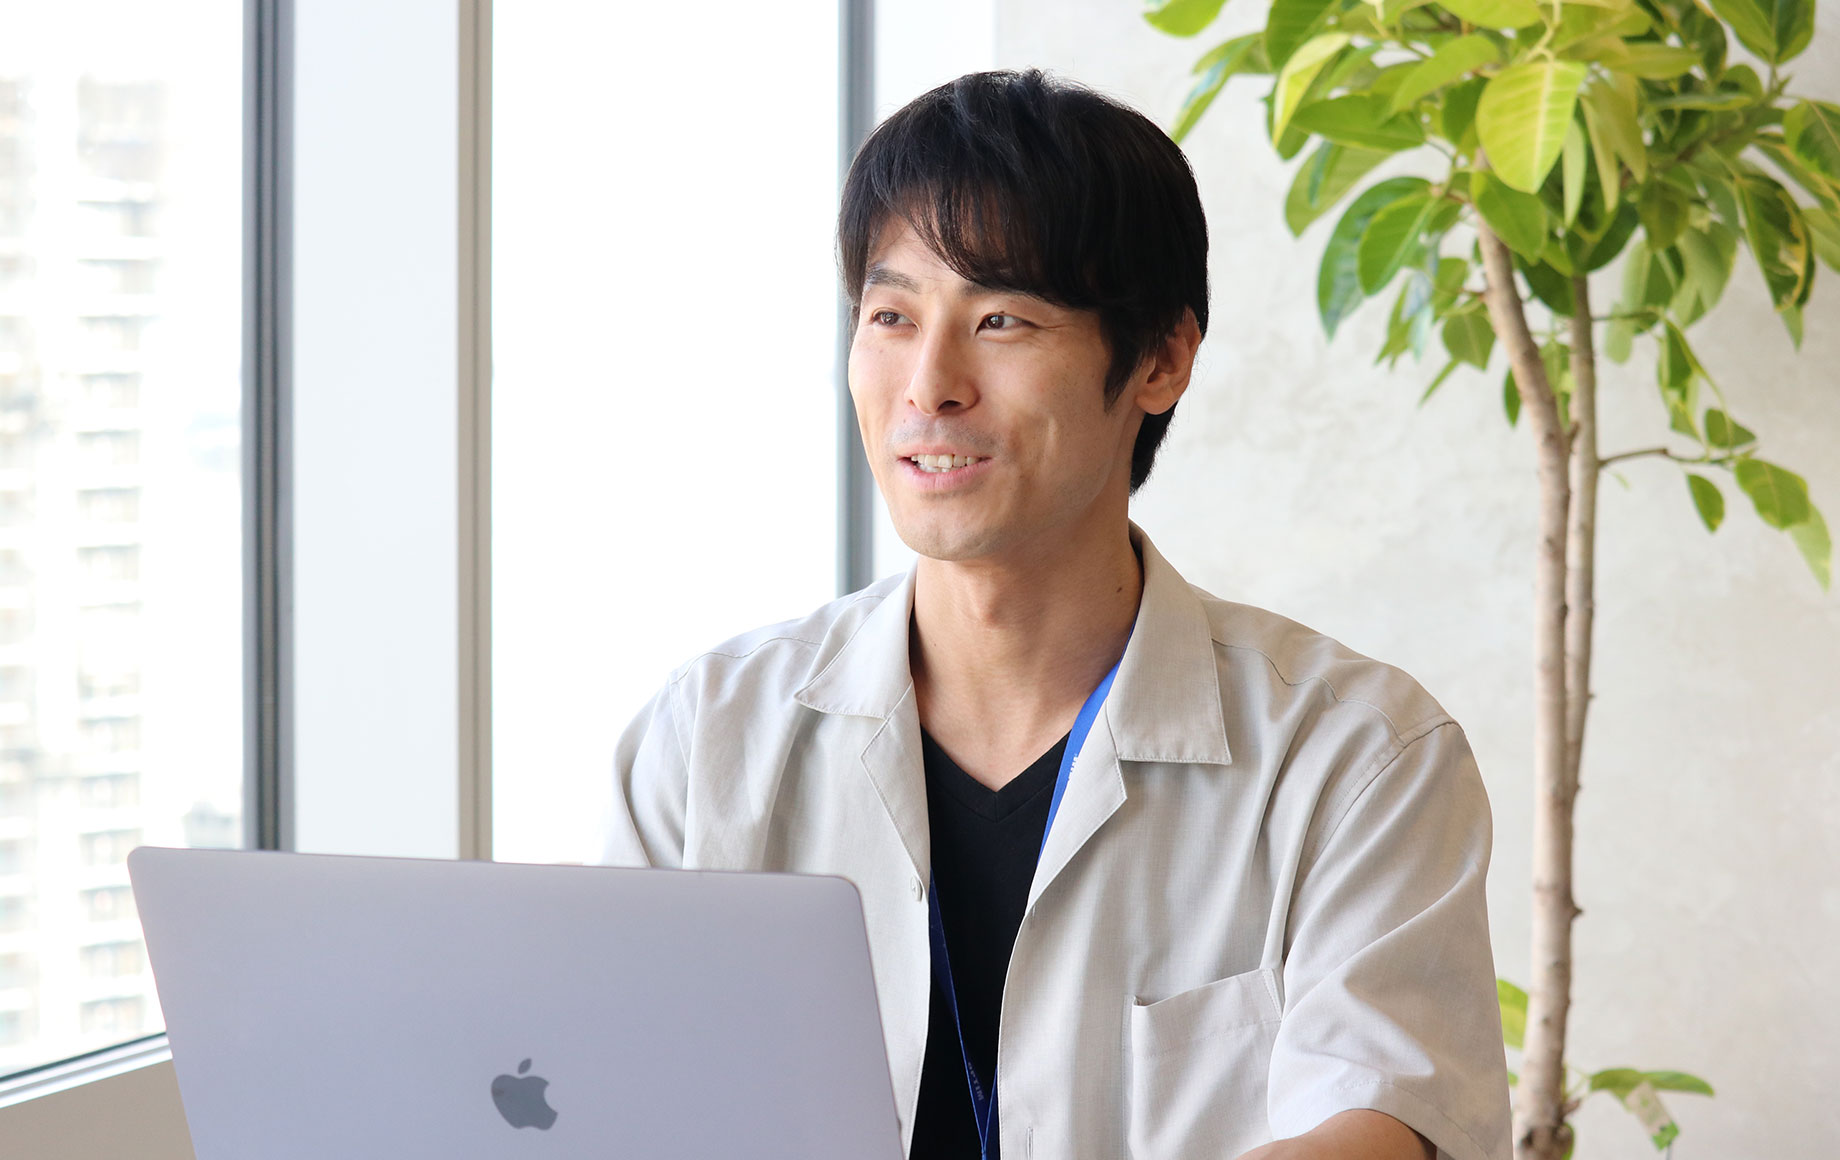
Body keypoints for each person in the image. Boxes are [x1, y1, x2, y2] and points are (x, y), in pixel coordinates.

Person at [600, 69, 1512, 1160]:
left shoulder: (1354, 755)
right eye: (891, 316)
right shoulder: (705, 739)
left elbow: (1384, 1124)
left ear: (1161, 360)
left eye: (1000, 319)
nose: (928, 384)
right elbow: (601, 1092)